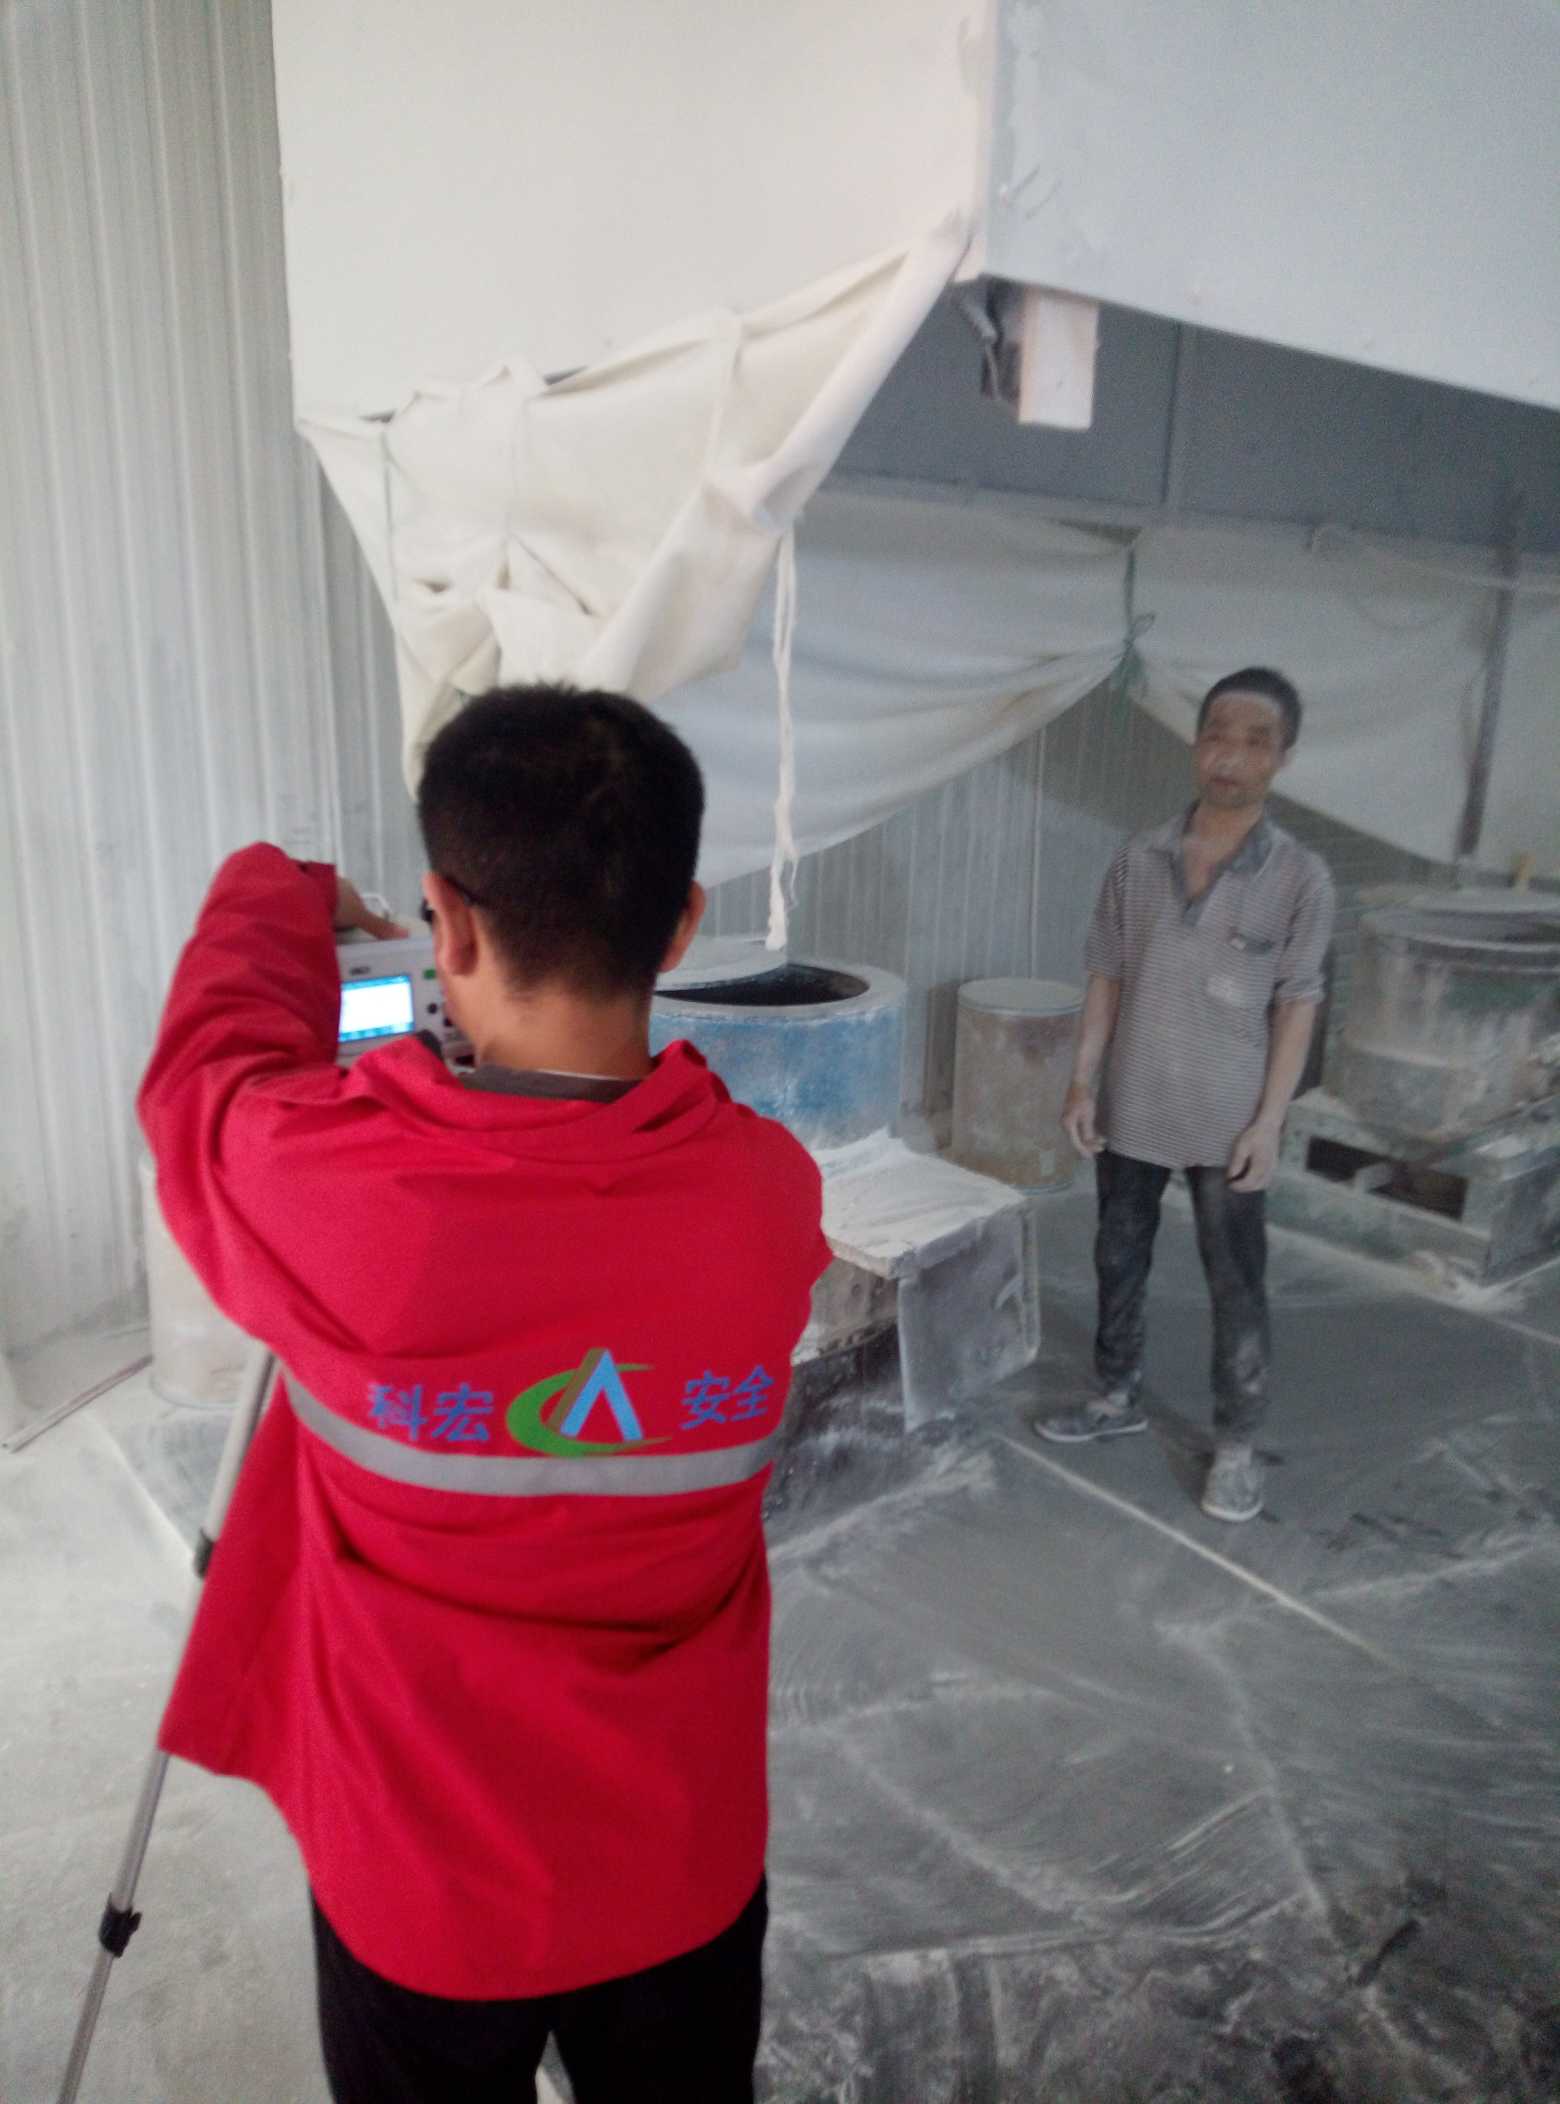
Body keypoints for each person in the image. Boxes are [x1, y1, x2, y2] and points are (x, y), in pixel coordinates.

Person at [138, 685, 831, 2104]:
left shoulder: (336, 1192)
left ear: (447, 927)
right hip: (681, 1865)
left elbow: (204, 1077)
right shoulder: (770, 1197)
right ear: (681, 926)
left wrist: (280, 891)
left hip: (426, 1887)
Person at [1035, 667, 1335, 1524]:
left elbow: (1298, 1002)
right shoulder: (1141, 858)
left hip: (1228, 1119)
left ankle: (1236, 1443)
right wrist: (1083, 1081)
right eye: (1217, 736)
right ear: (1196, 743)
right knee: (1117, 1255)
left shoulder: (1301, 877)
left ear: (1282, 757)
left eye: (1255, 742)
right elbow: (1106, 973)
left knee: (1236, 1281)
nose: (1230, 757)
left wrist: (1270, 1123)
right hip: (1134, 1103)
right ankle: (1115, 1392)